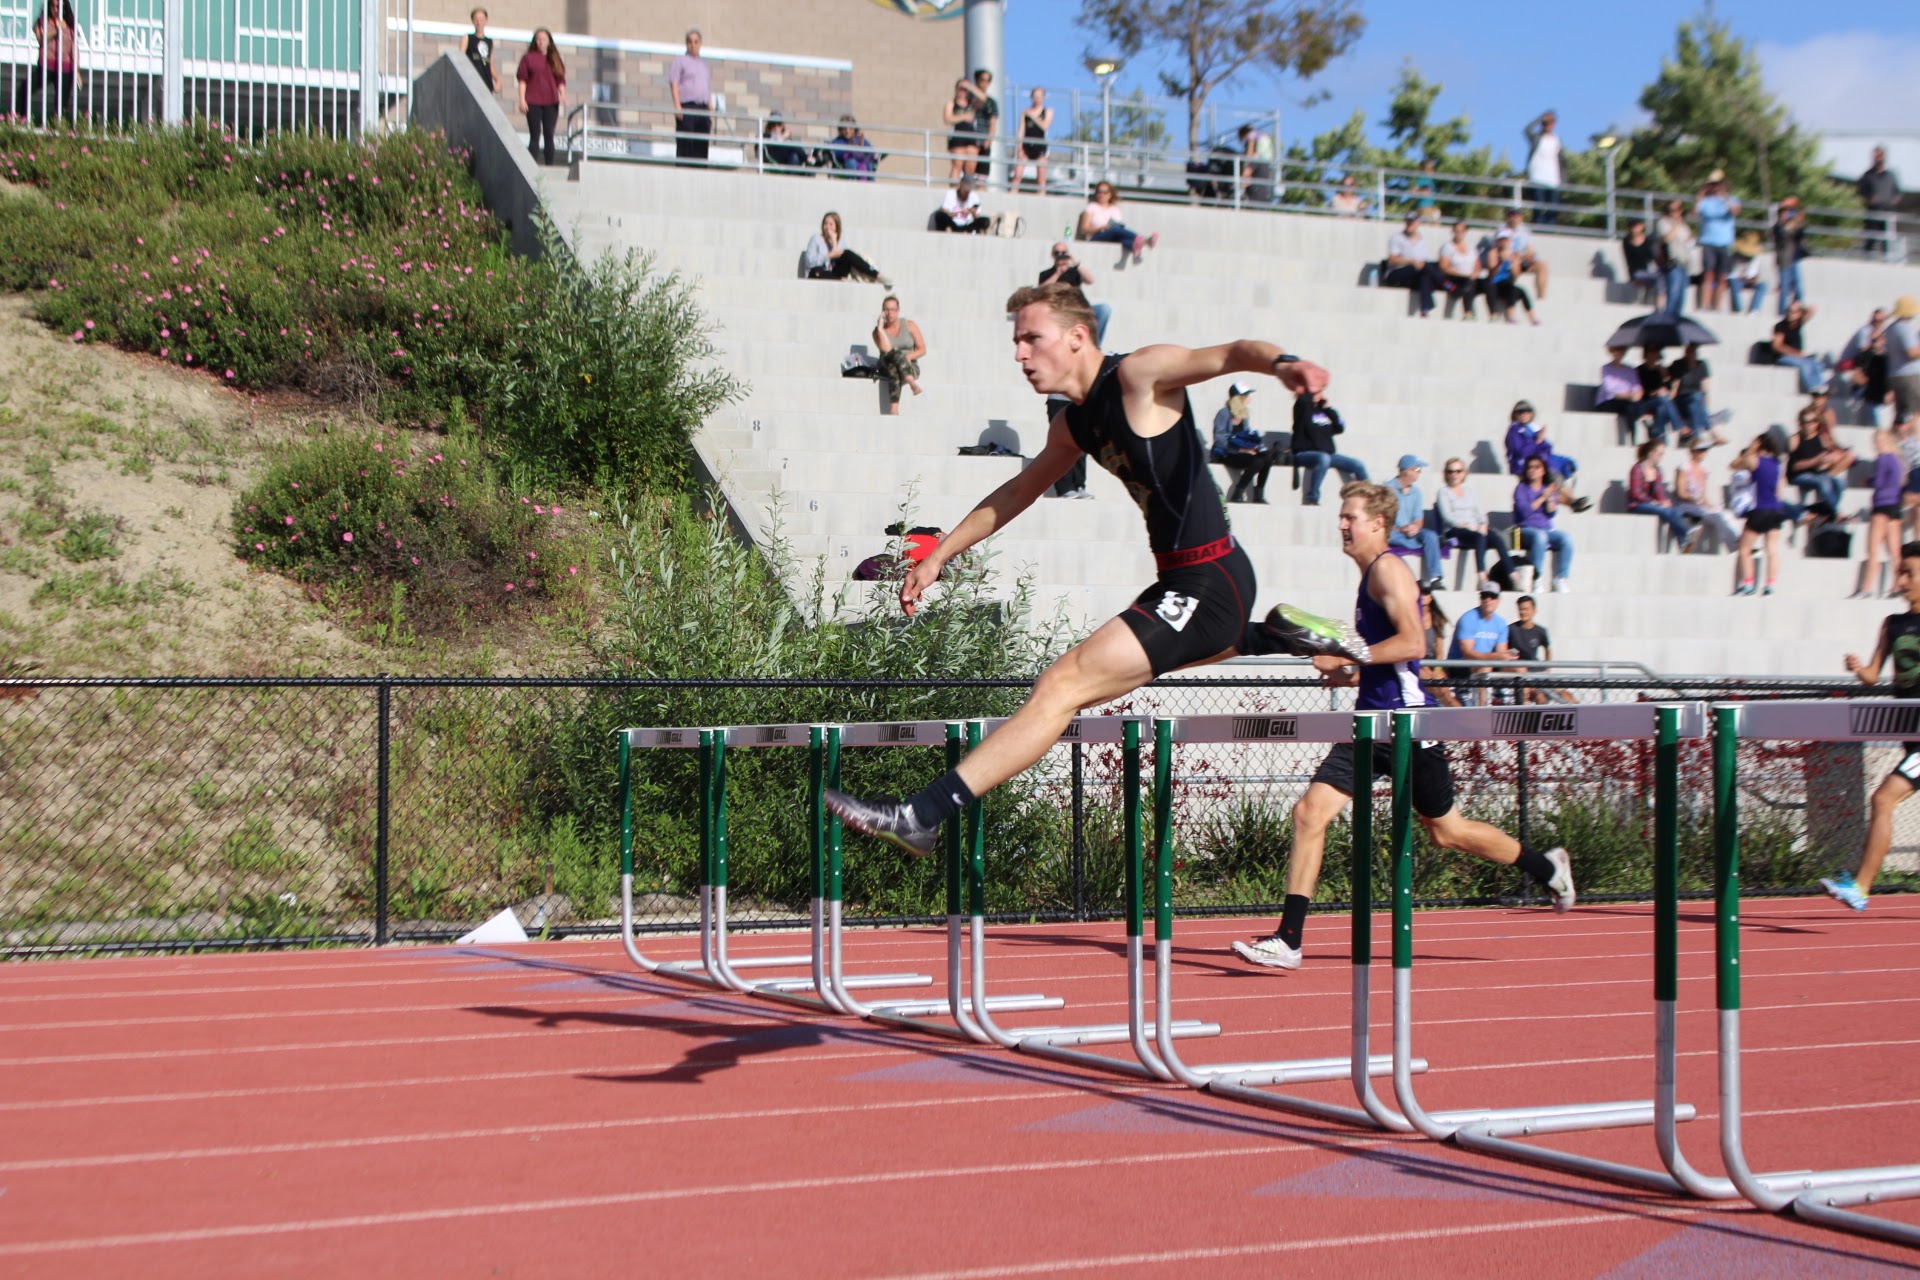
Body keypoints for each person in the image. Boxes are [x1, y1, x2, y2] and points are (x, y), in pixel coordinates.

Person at [824, 281, 1330, 857]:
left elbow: (1233, 352)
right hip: (1181, 584)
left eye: (1031, 339)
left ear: (1076, 337)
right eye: (1016, 341)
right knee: (1073, 690)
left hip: (1211, 578)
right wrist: (938, 554)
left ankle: (922, 814)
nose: (1019, 354)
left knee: (1060, 686)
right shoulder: (1072, 424)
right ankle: (1271, 634)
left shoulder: (1140, 374)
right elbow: (1018, 490)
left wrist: (1285, 365)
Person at [1230, 482, 1575, 971]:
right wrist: (1345, 670)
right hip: (1370, 726)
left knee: (1447, 831)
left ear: (1377, 523)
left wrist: (1351, 654)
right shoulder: (1368, 577)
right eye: (1342, 516)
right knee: (1310, 813)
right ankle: (1289, 940)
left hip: (1407, 727)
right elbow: (1382, 662)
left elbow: (1414, 645)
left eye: (1350, 516)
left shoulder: (1389, 569)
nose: (1342, 525)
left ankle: (1547, 866)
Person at [1828, 543, 1920, 911]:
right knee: (1884, 800)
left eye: (1909, 573)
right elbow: (1872, 674)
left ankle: (1861, 888)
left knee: (1882, 798)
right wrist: (1856, 667)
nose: (1900, 580)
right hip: (1910, 737)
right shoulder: (1893, 624)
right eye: (1899, 572)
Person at [1435, 457, 1516, 588]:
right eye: (1450, 471)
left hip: (1474, 527)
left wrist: (1483, 524)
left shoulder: (1469, 492)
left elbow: (1480, 513)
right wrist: (1467, 525)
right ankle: (1482, 576)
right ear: (1446, 473)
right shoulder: (1443, 492)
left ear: (1464, 473)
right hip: (1455, 529)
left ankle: (1512, 574)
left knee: (1496, 538)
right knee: (1479, 537)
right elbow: (1447, 517)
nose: (1454, 474)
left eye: (1458, 471)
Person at [1504, 401, 1590, 509]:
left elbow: (1546, 448)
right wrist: (1537, 440)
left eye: (1527, 411)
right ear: (1515, 414)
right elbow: (1520, 451)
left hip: (1536, 465)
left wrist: (1540, 441)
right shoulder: (1514, 430)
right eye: (1520, 412)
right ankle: (1572, 501)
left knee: (1549, 486)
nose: (1524, 414)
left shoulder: (1531, 429)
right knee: (1548, 481)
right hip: (1523, 467)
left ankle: (1572, 502)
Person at [1290, 387, 1367, 506]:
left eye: (1319, 392)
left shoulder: (1323, 411)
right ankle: (1312, 497)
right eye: (1314, 392)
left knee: (1358, 464)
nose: (1318, 394)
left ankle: (1370, 496)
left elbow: (1340, 427)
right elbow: (1302, 400)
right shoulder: (1302, 409)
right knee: (1323, 458)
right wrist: (1309, 391)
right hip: (1305, 453)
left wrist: (1328, 408)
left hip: (1328, 455)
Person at [1734, 434, 1788, 596]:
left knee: (1744, 549)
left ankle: (1749, 584)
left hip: (1760, 508)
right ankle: (1770, 585)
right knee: (1772, 549)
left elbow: (1734, 465)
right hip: (1776, 509)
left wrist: (1751, 448)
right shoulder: (1778, 464)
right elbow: (1780, 490)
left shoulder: (1754, 460)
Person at [1447, 581, 1516, 704]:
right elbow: (1467, 653)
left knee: (1519, 668)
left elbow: (1501, 653)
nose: (1488, 600)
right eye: (1484, 596)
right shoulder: (1468, 619)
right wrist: (1496, 657)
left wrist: (1509, 656)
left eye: (1492, 596)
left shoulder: (1501, 623)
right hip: (1460, 667)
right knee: (1484, 666)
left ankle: (1522, 705)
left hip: (1484, 665)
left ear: (1498, 600)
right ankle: (1483, 707)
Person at [1513, 454, 1574, 593]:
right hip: (1521, 530)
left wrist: (1550, 499)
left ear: (1543, 470)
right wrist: (1543, 497)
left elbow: (1551, 513)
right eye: (1529, 467)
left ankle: (1561, 578)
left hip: (1545, 529)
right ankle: (1536, 578)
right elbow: (1524, 511)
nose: (1532, 470)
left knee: (1566, 539)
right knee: (1540, 537)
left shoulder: (1546, 488)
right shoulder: (1521, 488)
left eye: (1536, 467)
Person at [1788, 391, 1853, 515]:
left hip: (1816, 473)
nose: (1810, 425)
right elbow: (1794, 466)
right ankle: (1835, 513)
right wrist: (1816, 461)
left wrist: (1826, 462)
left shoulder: (1820, 438)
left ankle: (1825, 511)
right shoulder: (1795, 439)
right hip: (1800, 475)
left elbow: (1823, 458)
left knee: (1839, 482)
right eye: (1807, 421)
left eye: (1814, 421)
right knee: (1823, 482)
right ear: (1800, 423)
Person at [1858, 431, 1906, 599]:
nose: (1876, 444)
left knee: (1873, 549)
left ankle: (1867, 587)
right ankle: (1897, 585)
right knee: (1894, 551)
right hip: (1895, 506)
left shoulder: (1882, 458)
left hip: (1881, 505)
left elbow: (1878, 482)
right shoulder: (1897, 459)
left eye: (1878, 441)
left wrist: (1867, 481)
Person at [1210, 382, 1275, 504]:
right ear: (1239, 398)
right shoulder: (1224, 413)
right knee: (1257, 461)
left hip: (1242, 452)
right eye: (1247, 395)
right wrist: (1240, 450)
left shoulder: (1244, 415)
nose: (1249, 398)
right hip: (1226, 453)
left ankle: (1259, 494)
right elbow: (1219, 439)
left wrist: (1255, 446)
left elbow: (1246, 436)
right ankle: (1238, 492)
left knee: (1267, 458)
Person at [1673, 437, 1741, 552]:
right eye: (1701, 450)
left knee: (1727, 514)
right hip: (1685, 505)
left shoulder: (1704, 470)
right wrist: (1694, 499)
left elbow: (1703, 494)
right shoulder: (1684, 467)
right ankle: (1734, 547)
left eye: (1705, 450)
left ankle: (1739, 543)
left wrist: (1708, 504)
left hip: (1698, 504)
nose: (1704, 453)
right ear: (1692, 451)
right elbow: (1680, 492)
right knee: (1718, 517)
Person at [17, 2, 81, 124]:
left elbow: (74, 47)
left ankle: (57, 127)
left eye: (58, 6)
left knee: (61, 104)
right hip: (46, 65)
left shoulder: (70, 24)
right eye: (53, 6)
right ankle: (22, 119)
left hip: (66, 68)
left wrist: (77, 70)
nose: (55, 9)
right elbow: (40, 39)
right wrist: (57, 29)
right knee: (24, 89)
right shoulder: (43, 21)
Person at [1626, 440, 1696, 548]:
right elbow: (1636, 493)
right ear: (1651, 453)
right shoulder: (1637, 469)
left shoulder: (1657, 471)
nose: (1661, 457)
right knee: (1665, 511)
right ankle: (1687, 533)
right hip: (1637, 504)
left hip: (1654, 504)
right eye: (1660, 454)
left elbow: (1659, 490)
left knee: (1674, 511)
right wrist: (1654, 502)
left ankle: (1683, 544)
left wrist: (1664, 501)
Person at [1387, 454, 1443, 589]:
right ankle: (1413, 544)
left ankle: (1435, 577)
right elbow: (1383, 519)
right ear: (1407, 470)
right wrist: (1401, 529)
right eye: (1417, 469)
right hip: (1393, 532)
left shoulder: (1417, 492)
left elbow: (1418, 518)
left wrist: (1415, 527)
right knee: (1389, 535)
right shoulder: (1388, 490)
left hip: (1410, 532)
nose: (1420, 473)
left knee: (1430, 536)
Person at [1037, 243, 1110, 345]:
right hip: (1060, 310)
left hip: (1079, 308)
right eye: (1057, 253)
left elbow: (1090, 280)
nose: (1060, 255)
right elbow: (1041, 290)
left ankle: (1095, 345)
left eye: (1063, 253)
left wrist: (1075, 263)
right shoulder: (1046, 274)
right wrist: (1058, 273)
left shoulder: (1074, 271)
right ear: (1053, 255)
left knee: (1104, 309)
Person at [515, 29, 566, 167]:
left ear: (549, 41)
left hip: (551, 102)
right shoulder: (528, 58)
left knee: (549, 134)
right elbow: (522, 80)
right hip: (533, 102)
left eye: (544, 39)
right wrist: (522, 99)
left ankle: (549, 165)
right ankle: (532, 165)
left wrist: (563, 95)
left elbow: (560, 79)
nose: (541, 42)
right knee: (535, 134)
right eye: (538, 39)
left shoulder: (554, 59)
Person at [1507, 595, 1571, 704]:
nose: (1523, 612)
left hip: (1539, 673)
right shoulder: (1511, 630)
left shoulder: (1540, 631)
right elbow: (1505, 650)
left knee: (1567, 696)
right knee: (1540, 697)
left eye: (1526, 609)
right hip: (1522, 676)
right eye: (1520, 609)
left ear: (1534, 611)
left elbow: (1547, 648)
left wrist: (1547, 667)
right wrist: (1514, 659)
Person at [1693, 171, 1741, 312]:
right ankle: (1705, 305)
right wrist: (1701, 195)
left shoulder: (1732, 199)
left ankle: (1717, 306)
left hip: (1725, 242)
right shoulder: (1705, 202)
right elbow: (1695, 213)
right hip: (1708, 241)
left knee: (1722, 277)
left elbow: (1735, 211)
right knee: (1708, 274)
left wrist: (1724, 196)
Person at [1079, 182, 1159, 262]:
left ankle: (1135, 247)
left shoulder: (1115, 209)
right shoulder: (1091, 207)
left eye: (1105, 192)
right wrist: (1100, 228)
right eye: (1099, 192)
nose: (1101, 194)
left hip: (1113, 236)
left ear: (1110, 194)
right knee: (1115, 230)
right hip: (1096, 237)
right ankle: (1144, 240)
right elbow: (1084, 229)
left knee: (1122, 237)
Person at [872, 296, 926, 414]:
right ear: (882, 312)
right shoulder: (877, 332)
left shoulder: (909, 325)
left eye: (892, 309)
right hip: (886, 363)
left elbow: (922, 349)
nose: (890, 313)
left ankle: (893, 409)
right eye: (886, 309)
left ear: (898, 310)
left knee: (894, 368)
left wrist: (908, 357)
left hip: (909, 365)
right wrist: (881, 329)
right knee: (894, 358)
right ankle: (911, 383)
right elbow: (886, 350)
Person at [1383, 214, 1444, 318]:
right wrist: (1411, 262)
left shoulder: (1422, 240)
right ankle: (1446, 283)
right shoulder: (1397, 238)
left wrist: (1418, 264)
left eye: (1412, 222)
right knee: (1426, 267)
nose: (1410, 224)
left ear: (1418, 223)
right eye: (1408, 221)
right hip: (1398, 272)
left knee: (1425, 276)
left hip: (1416, 273)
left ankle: (1425, 308)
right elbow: (1392, 260)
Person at [666, 29, 711, 165]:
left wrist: (709, 106)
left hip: (702, 109)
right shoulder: (680, 61)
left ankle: (700, 172)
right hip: (687, 107)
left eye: (696, 42)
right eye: (690, 42)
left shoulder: (704, 65)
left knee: (701, 145)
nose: (693, 44)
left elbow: (706, 86)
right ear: (686, 44)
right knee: (686, 144)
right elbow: (674, 83)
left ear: (700, 44)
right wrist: (678, 106)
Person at [804, 212, 888, 285]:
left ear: (836, 226)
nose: (827, 227)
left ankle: (877, 274)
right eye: (825, 224)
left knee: (847, 253)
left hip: (834, 273)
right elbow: (809, 262)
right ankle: (842, 280)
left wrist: (834, 243)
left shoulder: (840, 242)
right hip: (818, 273)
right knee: (816, 271)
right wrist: (829, 256)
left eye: (831, 224)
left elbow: (840, 257)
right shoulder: (815, 239)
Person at [1669, 343, 1723, 447]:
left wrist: (1705, 409)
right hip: (1681, 400)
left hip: (1695, 402)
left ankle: (1697, 438)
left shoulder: (1701, 365)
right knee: (1696, 398)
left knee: (1695, 404)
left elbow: (1705, 388)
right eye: (1689, 351)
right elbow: (1675, 386)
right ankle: (1712, 433)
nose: (1691, 354)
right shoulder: (1678, 364)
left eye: (1693, 351)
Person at [1419, 584, 1462, 708]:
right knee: (1436, 687)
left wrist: (1437, 668)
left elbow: (1440, 651)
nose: (1423, 596)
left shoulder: (1436, 619)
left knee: (1443, 689)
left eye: (1426, 593)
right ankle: (1460, 714)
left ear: (1431, 597)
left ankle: (1459, 714)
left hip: (1433, 662)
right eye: (1420, 593)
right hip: (1417, 661)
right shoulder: (1412, 618)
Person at [1481, 231, 1538, 325]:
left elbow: (1516, 275)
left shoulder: (1514, 255)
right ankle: (1508, 316)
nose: (1504, 242)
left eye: (1506, 240)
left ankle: (1532, 318)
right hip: (1495, 282)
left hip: (1507, 283)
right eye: (1501, 240)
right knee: (1508, 288)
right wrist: (1500, 262)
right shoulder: (1493, 253)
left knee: (1520, 291)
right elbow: (1491, 272)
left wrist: (1513, 264)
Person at [1772, 300, 1828, 394]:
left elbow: (1812, 309)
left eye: (1794, 312)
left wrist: (1800, 307)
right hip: (1784, 357)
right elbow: (1777, 346)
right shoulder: (1781, 326)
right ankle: (1813, 388)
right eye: (1789, 311)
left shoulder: (1798, 324)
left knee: (1815, 364)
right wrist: (1796, 353)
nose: (1790, 314)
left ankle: (1822, 387)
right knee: (1805, 365)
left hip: (1798, 356)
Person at [1595, 345, 1648, 439]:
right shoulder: (1606, 368)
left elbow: (1637, 387)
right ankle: (1633, 435)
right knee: (1630, 407)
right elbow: (1610, 390)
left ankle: (1634, 435)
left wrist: (1636, 395)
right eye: (1615, 350)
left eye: (1620, 350)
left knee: (1632, 407)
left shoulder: (1630, 370)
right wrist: (1629, 396)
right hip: (1608, 401)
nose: (1618, 353)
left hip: (1628, 401)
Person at [1857, 146, 1901, 259]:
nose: (1877, 158)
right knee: (1870, 239)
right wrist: (1869, 198)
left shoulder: (1890, 175)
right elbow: (1860, 191)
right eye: (1875, 156)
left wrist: (1894, 199)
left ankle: (1888, 263)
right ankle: (1866, 261)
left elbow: (1897, 192)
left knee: (1887, 241)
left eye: (1879, 156)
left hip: (1887, 212)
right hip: (1873, 212)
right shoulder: (1867, 175)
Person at [1633, 346, 1683, 445]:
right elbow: (1639, 391)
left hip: (1660, 402)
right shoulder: (1639, 370)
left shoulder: (1660, 371)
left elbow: (1669, 391)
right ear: (1646, 354)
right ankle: (1679, 426)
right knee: (1662, 400)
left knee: (1662, 408)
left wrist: (1665, 378)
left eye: (1656, 353)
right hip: (1645, 402)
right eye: (1651, 352)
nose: (1654, 355)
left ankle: (1658, 437)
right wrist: (1654, 393)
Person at [1500, 207, 1551, 300]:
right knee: (1513, 264)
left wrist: (1527, 256)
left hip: (1523, 259)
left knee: (1542, 265)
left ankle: (1541, 297)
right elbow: (1504, 249)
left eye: (1517, 216)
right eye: (1512, 216)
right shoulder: (1503, 230)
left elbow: (1530, 249)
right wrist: (1517, 256)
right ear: (1508, 217)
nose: (1515, 218)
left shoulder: (1525, 231)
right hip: (1512, 259)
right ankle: (1508, 294)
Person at [1655, 199, 1695, 317]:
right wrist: (1676, 225)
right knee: (1673, 292)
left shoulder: (1684, 226)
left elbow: (1688, 242)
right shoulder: (1663, 223)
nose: (1675, 213)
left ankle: (1676, 317)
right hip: (1673, 261)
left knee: (1681, 295)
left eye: (1678, 210)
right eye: (1672, 210)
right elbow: (1667, 239)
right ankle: (1669, 317)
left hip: (1684, 262)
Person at [1523, 110, 1563, 226]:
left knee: (1553, 209)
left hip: (1553, 179)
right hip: (1537, 177)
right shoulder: (1537, 138)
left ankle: (1551, 229)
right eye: (1545, 123)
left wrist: (1563, 178)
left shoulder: (1557, 140)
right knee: (1538, 207)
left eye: (1550, 123)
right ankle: (1538, 227)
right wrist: (1540, 118)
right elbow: (1527, 130)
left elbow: (1562, 161)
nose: (1548, 126)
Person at [1437, 220, 1483, 319]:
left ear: (1465, 232)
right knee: (1468, 282)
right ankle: (1468, 312)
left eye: (1461, 231)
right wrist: (1462, 274)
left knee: (1487, 283)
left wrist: (1475, 273)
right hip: (1455, 277)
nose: (1458, 233)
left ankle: (1493, 314)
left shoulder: (1471, 248)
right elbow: (1443, 267)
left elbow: (1478, 266)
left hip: (1469, 278)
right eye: (1456, 231)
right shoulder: (1447, 247)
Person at [1773, 197, 1808, 316]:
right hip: (1784, 260)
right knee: (1784, 287)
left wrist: (1799, 221)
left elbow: (1801, 234)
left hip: (1794, 258)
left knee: (1798, 287)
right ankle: (1782, 312)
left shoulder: (1795, 226)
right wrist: (1789, 223)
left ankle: (1797, 309)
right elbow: (1782, 235)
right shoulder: (1778, 227)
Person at [1890, 296, 1920, 429]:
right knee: (1915, 413)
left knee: (1901, 415)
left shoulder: (1892, 328)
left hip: (1896, 374)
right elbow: (1912, 353)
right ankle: (1913, 442)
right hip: (1910, 376)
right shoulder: (1905, 328)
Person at [963, 69, 999, 180]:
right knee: (968, 174)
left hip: (983, 140)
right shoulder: (968, 99)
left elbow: (993, 122)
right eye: (982, 79)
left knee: (982, 176)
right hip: (970, 140)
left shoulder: (992, 102)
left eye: (988, 80)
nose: (985, 83)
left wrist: (989, 139)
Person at [942, 78, 980, 180]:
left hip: (971, 137)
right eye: (961, 88)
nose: (963, 91)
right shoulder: (951, 104)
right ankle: (954, 190)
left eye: (965, 89)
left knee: (970, 168)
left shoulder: (972, 104)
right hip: (958, 136)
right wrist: (964, 117)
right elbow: (947, 118)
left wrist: (971, 87)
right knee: (957, 165)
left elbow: (983, 99)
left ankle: (967, 190)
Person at [1018, 88, 1053, 192]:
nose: (1037, 99)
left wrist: (1033, 116)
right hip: (1027, 145)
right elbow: (1021, 130)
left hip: (1040, 145)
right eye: (1035, 96)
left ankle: (1042, 195)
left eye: (1039, 96)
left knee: (1041, 178)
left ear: (1043, 98)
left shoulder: (1048, 111)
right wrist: (1019, 148)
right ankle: (1013, 192)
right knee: (1017, 174)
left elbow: (1045, 126)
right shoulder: (1025, 113)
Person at [1621, 219, 1661, 304]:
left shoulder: (1648, 241)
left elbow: (1652, 257)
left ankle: (1652, 302)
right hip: (1637, 272)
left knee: (1661, 278)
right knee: (1658, 279)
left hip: (1649, 270)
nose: (1634, 229)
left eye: (1636, 226)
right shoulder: (1627, 241)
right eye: (1633, 226)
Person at [1727, 230, 1768, 315]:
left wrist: (1752, 278)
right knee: (1734, 283)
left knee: (1763, 286)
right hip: (1736, 279)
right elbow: (1732, 274)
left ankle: (1753, 310)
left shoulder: (1756, 257)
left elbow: (1754, 273)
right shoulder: (1734, 256)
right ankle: (1737, 309)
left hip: (1747, 280)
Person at [1238, 121, 1275, 204]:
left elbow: (1250, 150)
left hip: (1261, 156)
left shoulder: (1251, 135)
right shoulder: (1260, 134)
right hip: (1267, 158)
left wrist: (1247, 161)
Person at [463, 8, 498, 93]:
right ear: (473, 21)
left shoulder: (490, 41)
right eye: (476, 20)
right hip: (472, 81)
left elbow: (490, 64)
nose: (479, 23)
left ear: (486, 20)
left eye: (481, 19)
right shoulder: (467, 38)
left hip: (486, 81)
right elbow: (461, 59)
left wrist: (497, 80)